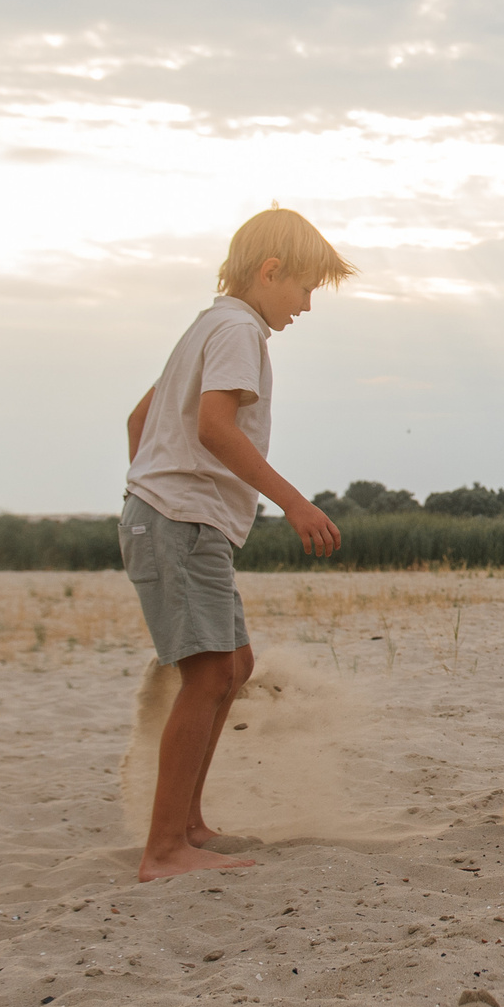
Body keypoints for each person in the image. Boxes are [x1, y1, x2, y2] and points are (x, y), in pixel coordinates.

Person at [122, 206, 353, 880]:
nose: (308, 305)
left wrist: (146, 488)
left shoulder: (207, 326)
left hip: (176, 518)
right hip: (181, 523)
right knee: (208, 676)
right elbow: (216, 427)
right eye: (305, 287)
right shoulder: (238, 330)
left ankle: (187, 823)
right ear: (270, 270)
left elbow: (141, 417)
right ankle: (164, 848)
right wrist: (293, 502)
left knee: (234, 666)